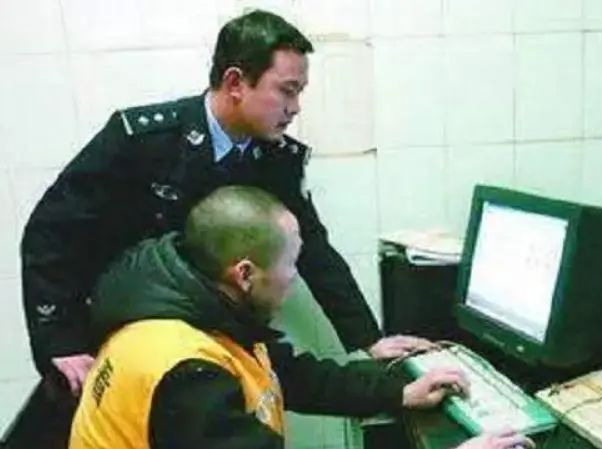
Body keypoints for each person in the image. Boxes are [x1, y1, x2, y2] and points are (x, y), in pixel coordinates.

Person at [21, 9, 425, 395]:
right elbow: (52, 231)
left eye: (299, 92)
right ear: (235, 83)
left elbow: (313, 249)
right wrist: (59, 341)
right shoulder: (143, 141)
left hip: (220, 339)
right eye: (286, 91)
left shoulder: (275, 158)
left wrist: (368, 339)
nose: (295, 108)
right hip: (133, 335)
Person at [68, 185, 530, 449]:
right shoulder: (185, 372)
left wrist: (399, 390)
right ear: (244, 274)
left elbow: (289, 376)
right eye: (290, 264)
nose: (293, 279)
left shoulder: (196, 316)